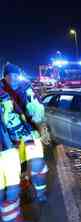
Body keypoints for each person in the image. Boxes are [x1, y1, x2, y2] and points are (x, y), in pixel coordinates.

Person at [1, 64, 48, 203]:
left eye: (16, 75)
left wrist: (40, 125)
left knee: (36, 164)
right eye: (11, 75)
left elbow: (37, 109)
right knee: (17, 171)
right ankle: (28, 193)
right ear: (5, 76)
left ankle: (38, 193)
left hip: (20, 137)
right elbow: (37, 111)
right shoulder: (22, 87)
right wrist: (40, 125)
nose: (13, 78)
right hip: (14, 138)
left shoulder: (24, 88)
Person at [0, 88, 35, 222]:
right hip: (6, 147)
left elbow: (12, 117)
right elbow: (13, 119)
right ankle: (10, 221)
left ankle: (10, 221)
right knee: (8, 186)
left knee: (8, 186)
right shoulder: (3, 95)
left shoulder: (3, 95)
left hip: (6, 147)